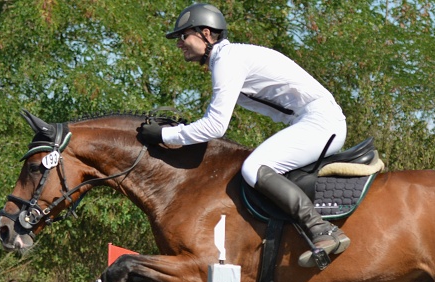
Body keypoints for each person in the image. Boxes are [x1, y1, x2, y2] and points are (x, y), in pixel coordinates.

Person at [137, 3, 349, 268]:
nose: (179, 43)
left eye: (183, 36)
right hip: (311, 121)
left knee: (254, 167)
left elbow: (215, 127)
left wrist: (167, 135)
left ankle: (321, 229)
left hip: (320, 122)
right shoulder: (227, 59)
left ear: (205, 33)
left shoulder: (227, 60)